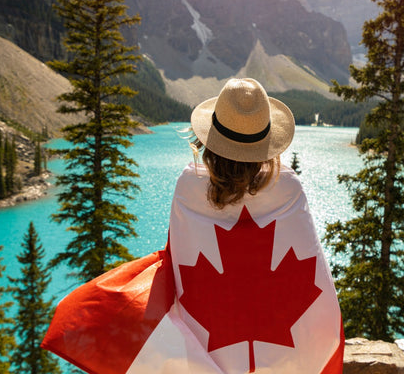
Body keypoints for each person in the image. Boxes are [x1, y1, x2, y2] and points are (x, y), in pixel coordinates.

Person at [42, 78, 344, 374]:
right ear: (267, 143)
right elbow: (313, 266)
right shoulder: (288, 186)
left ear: (209, 140)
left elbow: (177, 258)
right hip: (287, 358)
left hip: (208, 352)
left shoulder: (189, 185)